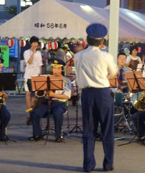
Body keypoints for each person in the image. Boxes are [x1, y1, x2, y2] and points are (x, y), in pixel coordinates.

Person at [74, 23, 118, 172]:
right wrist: (103, 76)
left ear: (87, 40)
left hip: (87, 94)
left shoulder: (78, 55)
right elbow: (114, 73)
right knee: (107, 130)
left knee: (89, 130)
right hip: (103, 94)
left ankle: (88, 165)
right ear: (102, 42)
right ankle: (108, 164)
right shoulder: (106, 56)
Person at [29, 58, 71, 142]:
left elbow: (67, 96)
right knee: (34, 113)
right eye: (54, 68)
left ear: (61, 69)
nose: (55, 70)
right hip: (46, 102)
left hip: (59, 103)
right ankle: (37, 134)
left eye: (58, 68)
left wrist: (53, 95)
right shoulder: (45, 78)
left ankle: (58, 136)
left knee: (57, 113)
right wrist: (41, 91)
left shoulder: (66, 81)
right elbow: (38, 94)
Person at [24, 36, 43, 113]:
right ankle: (29, 108)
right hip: (29, 75)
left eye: (36, 43)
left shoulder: (39, 53)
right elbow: (29, 62)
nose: (35, 44)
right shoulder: (26, 52)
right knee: (28, 92)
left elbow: (40, 64)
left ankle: (34, 108)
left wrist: (40, 74)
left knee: (35, 93)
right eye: (34, 42)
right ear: (31, 43)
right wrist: (33, 54)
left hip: (36, 75)